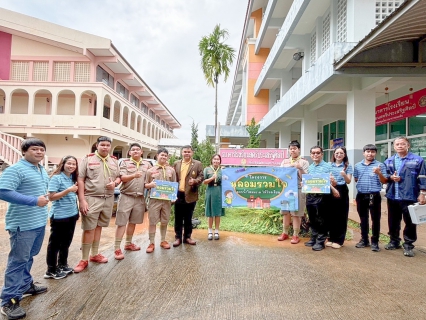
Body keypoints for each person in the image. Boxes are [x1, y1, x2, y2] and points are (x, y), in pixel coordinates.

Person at [0, 138, 49, 320]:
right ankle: (9, 301)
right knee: (18, 261)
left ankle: (26, 284)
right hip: (22, 225)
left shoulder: (40, 169)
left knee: (28, 256)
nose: (39, 152)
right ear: (24, 152)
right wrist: (34, 201)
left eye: (41, 150)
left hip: (38, 222)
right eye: (34, 149)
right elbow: (3, 191)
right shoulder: (15, 169)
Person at [74, 136, 120, 273]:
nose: (105, 147)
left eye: (107, 145)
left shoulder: (113, 161)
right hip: (92, 198)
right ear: (97, 146)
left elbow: (118, 177)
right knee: (89, 228)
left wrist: (116, 183)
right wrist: (82, 200)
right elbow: (80, 180)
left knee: (99, 227)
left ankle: (94, 254)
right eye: (102, 145)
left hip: (108, 199)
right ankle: (83, 259)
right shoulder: (88, 159)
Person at [382, 136, 426, 257]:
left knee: (410, 222)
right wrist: (391, 177)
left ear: (408, 145)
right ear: (394, 147)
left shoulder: (418, 160)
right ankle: (394, 241)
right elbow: (385, 176)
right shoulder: (389, 161)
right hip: (392, 196)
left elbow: (423, 177)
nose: (400, 146)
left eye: (402, 144)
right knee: (393, 221)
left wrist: (422, 194)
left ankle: (408, 245)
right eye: (397, 144)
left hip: (410, 196)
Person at [114, 143, 152, 260]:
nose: (135, 151)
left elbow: (153, 176)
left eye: (138, 150)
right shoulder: (124, 163)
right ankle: (116, 248)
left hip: (140, 197)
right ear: (129, 152)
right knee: (121, 222)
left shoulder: (147, 164)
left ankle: (128, 243)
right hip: (126, 196)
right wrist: (134, 175)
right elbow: (122, 178)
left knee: (133, 221)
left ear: (141, 152)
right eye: (133, 150)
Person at [44, 156, 79, 280]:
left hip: (72, 214)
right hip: (59, 215)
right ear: (63, 164)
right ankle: (51, 270)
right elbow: (51, 197)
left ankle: (63, 264)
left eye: (74, 164)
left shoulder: (72, 178)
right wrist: (69, 190)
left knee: (66, 242)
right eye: (69, 163)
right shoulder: (56, 178)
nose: (71, 166)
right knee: (55, 244)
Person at [353, 144, 388, 252]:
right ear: (364, 153)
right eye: (368, 151)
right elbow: (356, 178)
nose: (370, 154)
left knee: (375, 219)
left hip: (374, 195)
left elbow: (385, 181)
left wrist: (379, 173)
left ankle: (375, 242)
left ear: (375, 153)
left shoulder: (380, 165)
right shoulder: (358, 165)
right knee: (363, 219)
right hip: (361, 195)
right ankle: (364, 239)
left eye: (372, 152)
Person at [304, 146, 339, 251]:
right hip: (310, 195)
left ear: (322, 154)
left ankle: (320, 241)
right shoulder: (310, 167)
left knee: (322, 219)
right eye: (313, 153)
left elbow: (334, 182)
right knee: (312, 218)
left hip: (323, 196)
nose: (315, 155)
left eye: (318, 153)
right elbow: (308, 181)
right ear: (310, 155)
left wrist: (332, 183)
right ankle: (314, 237)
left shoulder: (328, 167)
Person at [144, 148, 177, 253]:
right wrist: (151, 185)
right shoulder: (150, 171)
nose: (163, 157)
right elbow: (145, 185)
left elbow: (174, 185)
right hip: (154, 200)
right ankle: (151, 242)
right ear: (157, 156)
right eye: (161, 155)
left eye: (165, 155)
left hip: (166, 201)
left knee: (164, 221)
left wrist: (174, 196)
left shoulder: (171, 170)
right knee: (153, 221)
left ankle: (163, 240)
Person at [172, 145, 203, 247]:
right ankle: (178, 237)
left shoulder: (197, 164)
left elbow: (201, 176)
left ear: (192, 153)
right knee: (178, 217)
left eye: (188, 152)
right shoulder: (176, 163)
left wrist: (195, 181)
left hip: (190, 194)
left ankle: (187, 237)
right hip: (178, 194)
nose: (187, 153)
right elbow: (172, 177)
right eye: (185, 152)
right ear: (182, 153)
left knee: (188, 217)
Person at [278, 140, 309, 244]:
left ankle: (296, 235)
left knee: (296, 213)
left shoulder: (304, 162)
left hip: (298, 189)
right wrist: (290, 166)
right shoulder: (284, 161)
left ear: (299, 150)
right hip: (286, 189)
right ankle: (285, 233)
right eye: (291, 149)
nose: (293, 150)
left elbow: (305, 178)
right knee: (285, 212)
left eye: (295, 148)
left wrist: (299, 168)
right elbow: (280, 174)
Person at [327, 147, 353, 249]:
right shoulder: (329, 165)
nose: (339, 155)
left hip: (342, 190)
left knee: (341, 215)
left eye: (341, 153)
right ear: (334, 154)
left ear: (344, 155)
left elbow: (349, 181)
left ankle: (339, 240)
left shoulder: (347, 166)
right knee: (330, 214)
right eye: (337, 153)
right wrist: (333, 187)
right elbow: (326, 178)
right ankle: (331, 238)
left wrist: (344, 175)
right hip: (331, 189)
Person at [203, 154, 225, 240]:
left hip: (219, 191)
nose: (216, 161)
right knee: (210, 212)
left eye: (218, 159)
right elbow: (204, 182)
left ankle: (216, 231)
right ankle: (209, 231)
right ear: (212, 160)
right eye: (214, 159)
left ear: (220, 161)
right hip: (210, 191)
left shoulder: (222, 170)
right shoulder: (207, 169)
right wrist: (212, 178)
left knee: (218, 212)